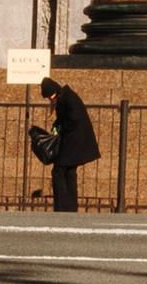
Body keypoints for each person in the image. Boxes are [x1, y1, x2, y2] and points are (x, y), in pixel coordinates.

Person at [30, 77, 101, 214]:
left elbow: (73, 119)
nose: (50, 99)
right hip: (74, 141)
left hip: (73, 141)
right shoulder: (65, 97)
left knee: (59, 171)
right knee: (69, 172)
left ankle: (62, 206)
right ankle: (69, 207)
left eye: (50, 96)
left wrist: (61, 129)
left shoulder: (68, 98)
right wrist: (57, 125)